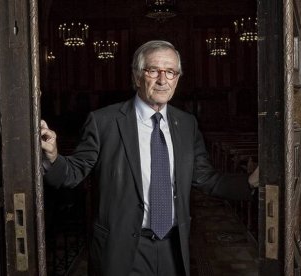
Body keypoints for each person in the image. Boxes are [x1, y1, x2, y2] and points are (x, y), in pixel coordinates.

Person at [41, 40, 258, 276]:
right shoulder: (104, 122)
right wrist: (53, 156)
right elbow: (74, 173)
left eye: (171, 72)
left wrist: (249, 183)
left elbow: (207, 178)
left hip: (172, 247)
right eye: (153, 70)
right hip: (122, 248)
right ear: (137, 77)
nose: (163, 80)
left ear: (177, 78)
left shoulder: (187, 124)